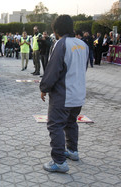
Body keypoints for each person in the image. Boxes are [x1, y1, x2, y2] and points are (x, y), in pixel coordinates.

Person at [40, 15, 89, 173]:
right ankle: (73, 151)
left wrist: (44, 87)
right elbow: (83, 68)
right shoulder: (83, 44)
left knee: (55, 125)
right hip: (79, 94)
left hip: (63, 95)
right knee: (71, 122)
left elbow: (53, 69)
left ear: (56, 30)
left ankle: (59, 161)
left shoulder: (61, 44)